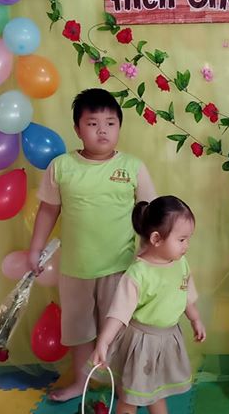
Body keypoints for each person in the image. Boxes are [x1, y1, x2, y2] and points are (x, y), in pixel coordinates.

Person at [27, 88, 157, 401]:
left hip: (120, 267)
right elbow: (48, 210)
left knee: (119, 329)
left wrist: (152, 255)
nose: (102, 130)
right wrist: (35, 249)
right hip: (75, 268)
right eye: (92, 123)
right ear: (77, 129)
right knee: (79, 332)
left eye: (110, 123)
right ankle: (81, 383)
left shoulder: (133, 166)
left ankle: (125, 387)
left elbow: (150, 214)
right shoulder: (62, 166)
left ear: (119, 127)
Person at [90, 196, 205, 414]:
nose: (187, 246)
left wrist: (195, 319)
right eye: (181, 239)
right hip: (142, 344)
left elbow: (185, 295)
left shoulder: (181, 263)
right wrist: (103, 341)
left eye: (188, 239)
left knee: (156, 392)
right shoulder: (138, 273)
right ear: (156, 239)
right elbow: (119, 313)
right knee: (131, 398)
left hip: (168, 340)